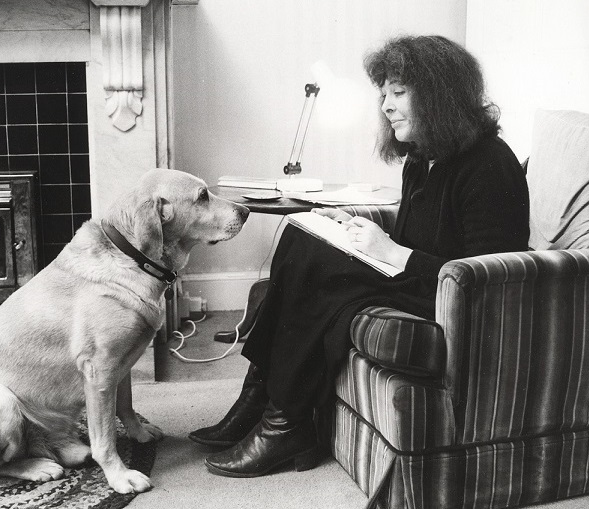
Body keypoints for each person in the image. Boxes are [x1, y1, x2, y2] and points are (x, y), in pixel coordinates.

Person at [189, 34, 530, 478]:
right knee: (301, 235)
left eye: (399, 92)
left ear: (441, 94)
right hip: (415, 278)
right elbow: (412, 240)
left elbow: (488, 279)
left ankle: (283, 422)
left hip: (452, 300)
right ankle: (260, 400)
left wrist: (395, 253)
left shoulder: (489, 164)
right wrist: (356, 232)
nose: (386, 106)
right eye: (383, 93)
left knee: (315, 268)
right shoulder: (422, 159)